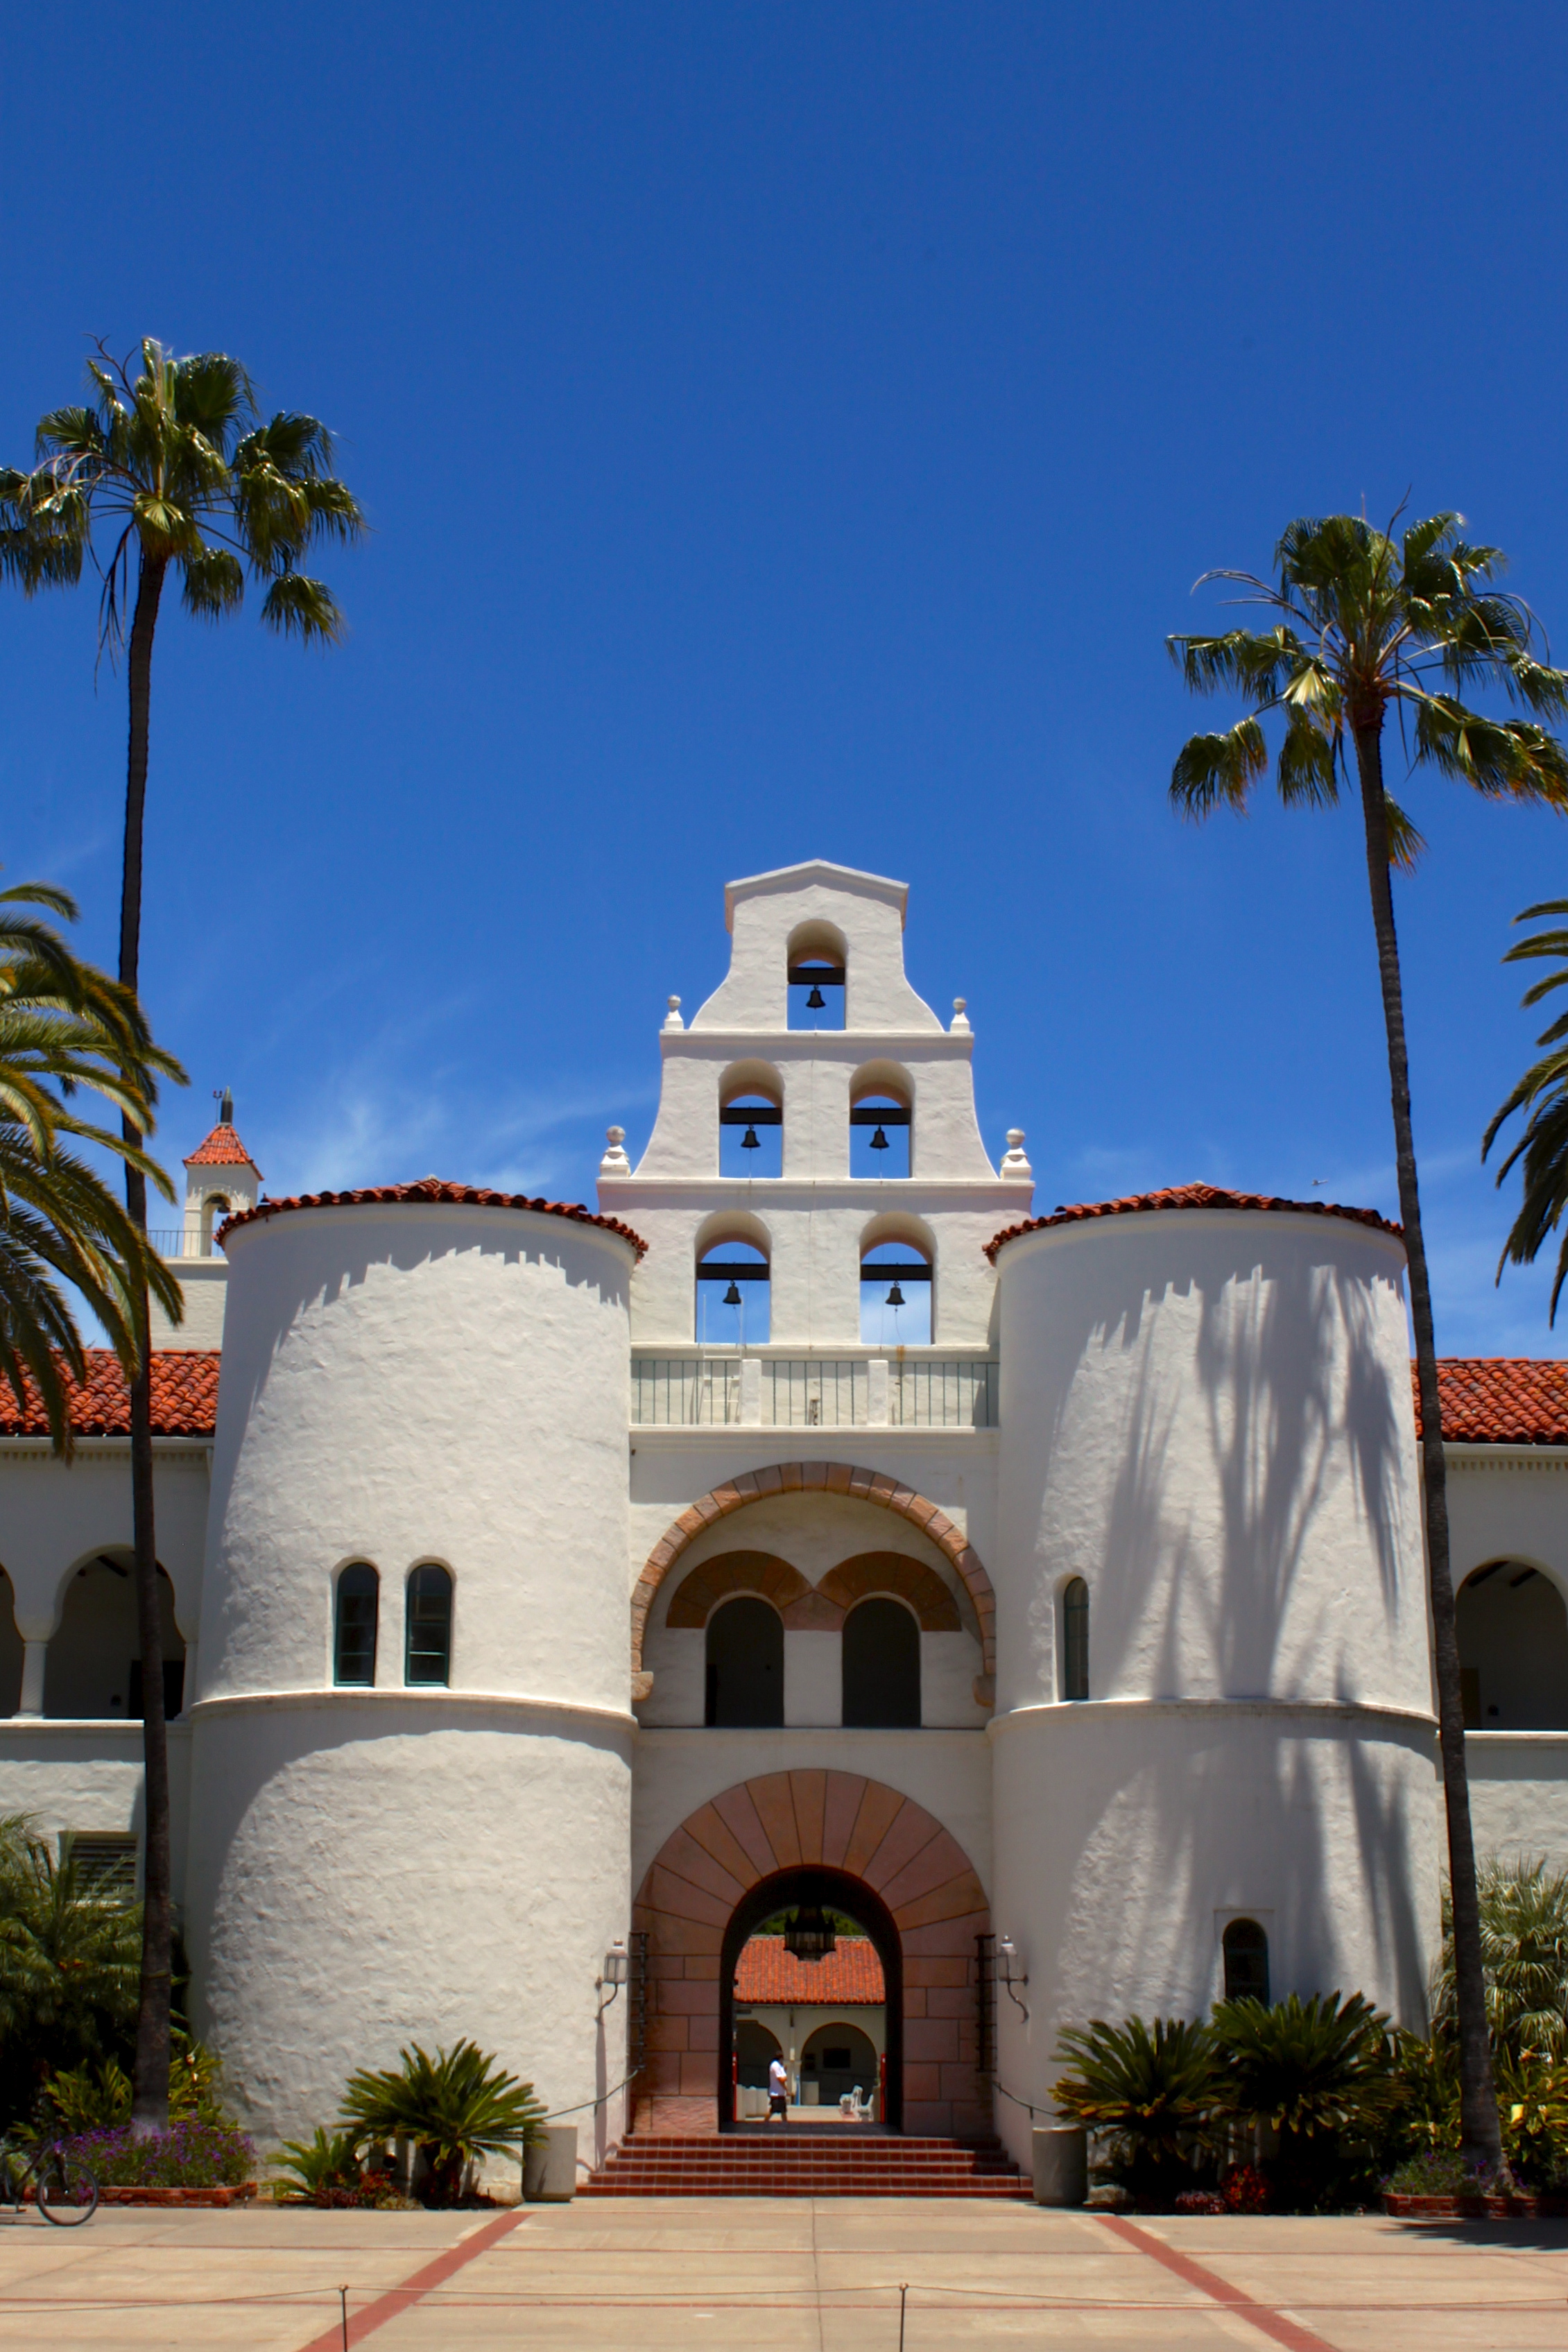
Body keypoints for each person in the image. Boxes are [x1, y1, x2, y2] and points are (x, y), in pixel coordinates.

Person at [768, 2053, 789, 2122]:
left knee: (784, 2112)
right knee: (772, 2111)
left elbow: (783, 2079)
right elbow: (781, 2079)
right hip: (776, 2094)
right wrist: (786, 2078)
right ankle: (764, 2122)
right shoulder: (775, 2065)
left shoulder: (780, 2066)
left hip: (781, 2093)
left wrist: (786, 2089)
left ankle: (786, 2125)